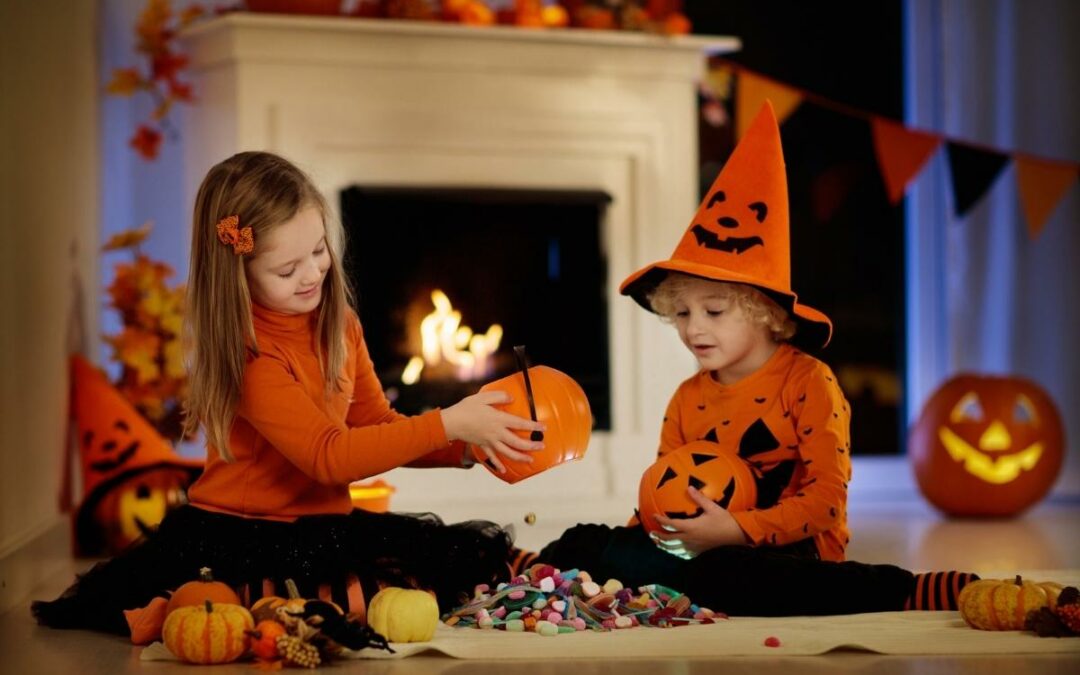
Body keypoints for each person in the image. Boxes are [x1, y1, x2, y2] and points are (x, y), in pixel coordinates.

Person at [33, 151, 544, 635]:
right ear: (239, 273)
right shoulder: (250, 357)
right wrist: (449, 421)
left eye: (319, 250)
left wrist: (468, 447)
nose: (313, 273)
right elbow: (329, 457)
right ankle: (181, 604)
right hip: (244, 535)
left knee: (475, 565)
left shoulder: (339, 325)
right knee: (343, 606)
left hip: (327, 526)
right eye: (286, 269)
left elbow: (375, 426)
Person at [513, 101, 978, 616]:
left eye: (713, 310)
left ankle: (905, 589)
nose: (693, 328)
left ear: (764, 313)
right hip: (694, 544)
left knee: (732, 576)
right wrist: (647, 538)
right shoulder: (689, 396)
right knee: (589, 540)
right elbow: (660, 491)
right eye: (682, 312)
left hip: (787, 550)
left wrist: (736, 530)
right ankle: (546, 565)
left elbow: (825, 502)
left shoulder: (807, 381)